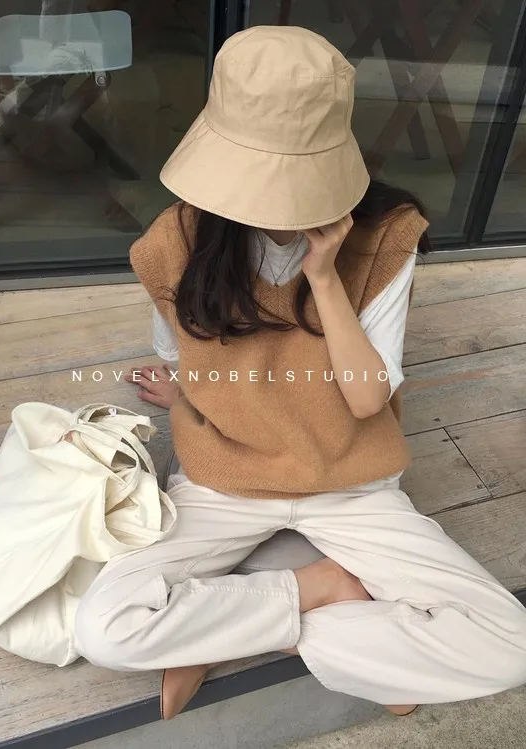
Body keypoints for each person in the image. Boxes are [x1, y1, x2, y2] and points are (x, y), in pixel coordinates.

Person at [74, 26, 526, 721]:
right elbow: (182, 355)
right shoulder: (173, 242)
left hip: (350, 482)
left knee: (509, 646)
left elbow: (367, 398)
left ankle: (229, 618)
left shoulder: (387, 234)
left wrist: (325, 275)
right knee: (105, 627)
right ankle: (320, 590)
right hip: (224, 477)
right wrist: (187, 395)